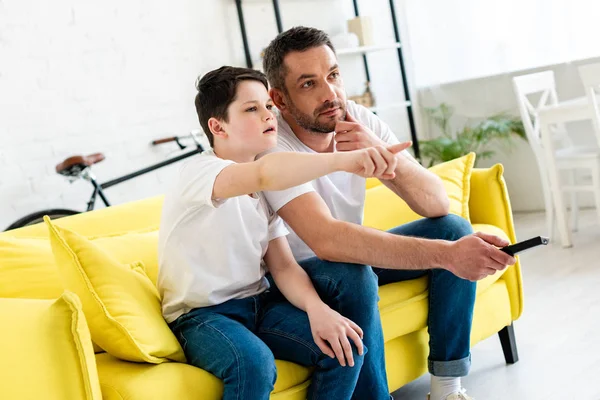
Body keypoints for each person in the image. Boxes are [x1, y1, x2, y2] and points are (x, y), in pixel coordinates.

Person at [260, 27, 517, 400]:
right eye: (308, 84)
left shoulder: (358, 118)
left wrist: (383, 155)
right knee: (354, 271)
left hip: (350, 262)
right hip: (299, 279)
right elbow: (327, 240)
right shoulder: (272, 147)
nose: (330, 94)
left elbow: (436, 204)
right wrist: (449, 257)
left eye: (333, 75)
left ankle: (447, 388)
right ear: (279, 99)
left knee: (454, 229)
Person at [157, 66, 408, 400]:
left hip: (258, 303)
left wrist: (319, 311)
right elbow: (264, 173)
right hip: (201, 317)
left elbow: (284, 266)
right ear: (217, 127)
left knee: (345, 346)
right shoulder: (200, 173)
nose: (267, 115)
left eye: (267, 106)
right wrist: (345, 160)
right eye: (251, 109)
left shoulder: (265, 190)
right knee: (254, 364)